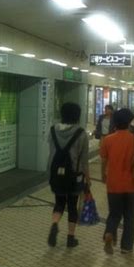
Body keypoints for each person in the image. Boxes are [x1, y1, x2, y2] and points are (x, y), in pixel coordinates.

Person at [47, 102, 90, 248]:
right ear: (77, 116)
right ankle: (70, 238)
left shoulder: (53, 130)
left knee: (59, 202)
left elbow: (51, 151)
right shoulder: (81, 134)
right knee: (72, 205)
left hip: (55, 174)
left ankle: (54, 223)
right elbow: (84, 160)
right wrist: (88, 180)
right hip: (74, 175)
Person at [100, 108, 134, 254]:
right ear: (129, 122)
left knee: (114, 214)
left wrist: (104, 175)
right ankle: (126, 247)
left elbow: (104, 160)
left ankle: (109, 233)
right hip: (132, 185)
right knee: (130, 216)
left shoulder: (108, 140)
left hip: (113, 183)